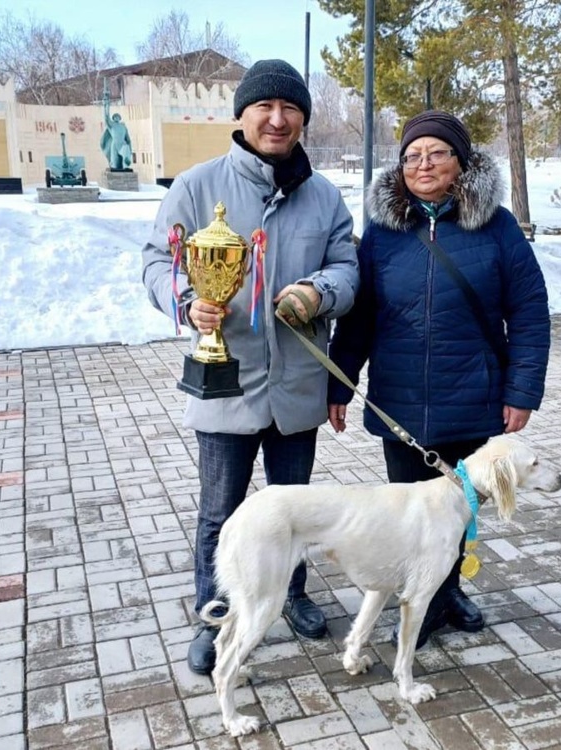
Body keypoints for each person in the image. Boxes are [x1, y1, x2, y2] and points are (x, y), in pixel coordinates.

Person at [141, 59, 359, 676]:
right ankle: (215, 613)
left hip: (296, 386)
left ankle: (290, 595)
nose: (277, 118)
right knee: (221, 510)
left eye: (290, 108)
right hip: (225, 381)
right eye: (264, 106)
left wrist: (319, 291)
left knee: (294, 508)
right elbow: (157, 261)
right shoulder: (196, 186)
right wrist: (186, 299)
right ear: (241, 115)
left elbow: (348, 268)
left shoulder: (323, 197)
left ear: (302, 121)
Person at [327, 110, 550, 650]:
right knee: (408, 515)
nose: (423, 164)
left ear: (462, 162)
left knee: (460, 510)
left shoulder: (495, 226)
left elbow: (529, 310)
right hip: (400, 402)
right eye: (412, 156)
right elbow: (359, 316)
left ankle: (447, 592)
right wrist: (339, 382)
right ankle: (414, 597)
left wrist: (521, 392)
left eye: (437, 153)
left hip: (474, 398)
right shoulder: (383, 232)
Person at [101, 90, 133, 171]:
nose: (116, 118)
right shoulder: (112, 125)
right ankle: (115, 167)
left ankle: (126, 167)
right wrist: (106, 105)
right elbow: (106, 117)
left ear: (120, 118)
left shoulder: (123, 126)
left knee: (126, 152)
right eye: (115, 117)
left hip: (123, 144)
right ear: (113, 118)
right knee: (114, 164)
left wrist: (130, 149)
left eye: (117, 116)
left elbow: (128, 139)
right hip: (114, 144)